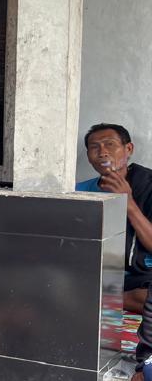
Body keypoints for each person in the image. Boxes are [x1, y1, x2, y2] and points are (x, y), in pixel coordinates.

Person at [77, 123, 152, 315]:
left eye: (109, 144)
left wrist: (128, 203)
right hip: (97, 272)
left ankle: (102, 298)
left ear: (128, 149)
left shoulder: (148, 185)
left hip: (140, 273)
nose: (102, 152)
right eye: (94, 147)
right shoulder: (79, 191)